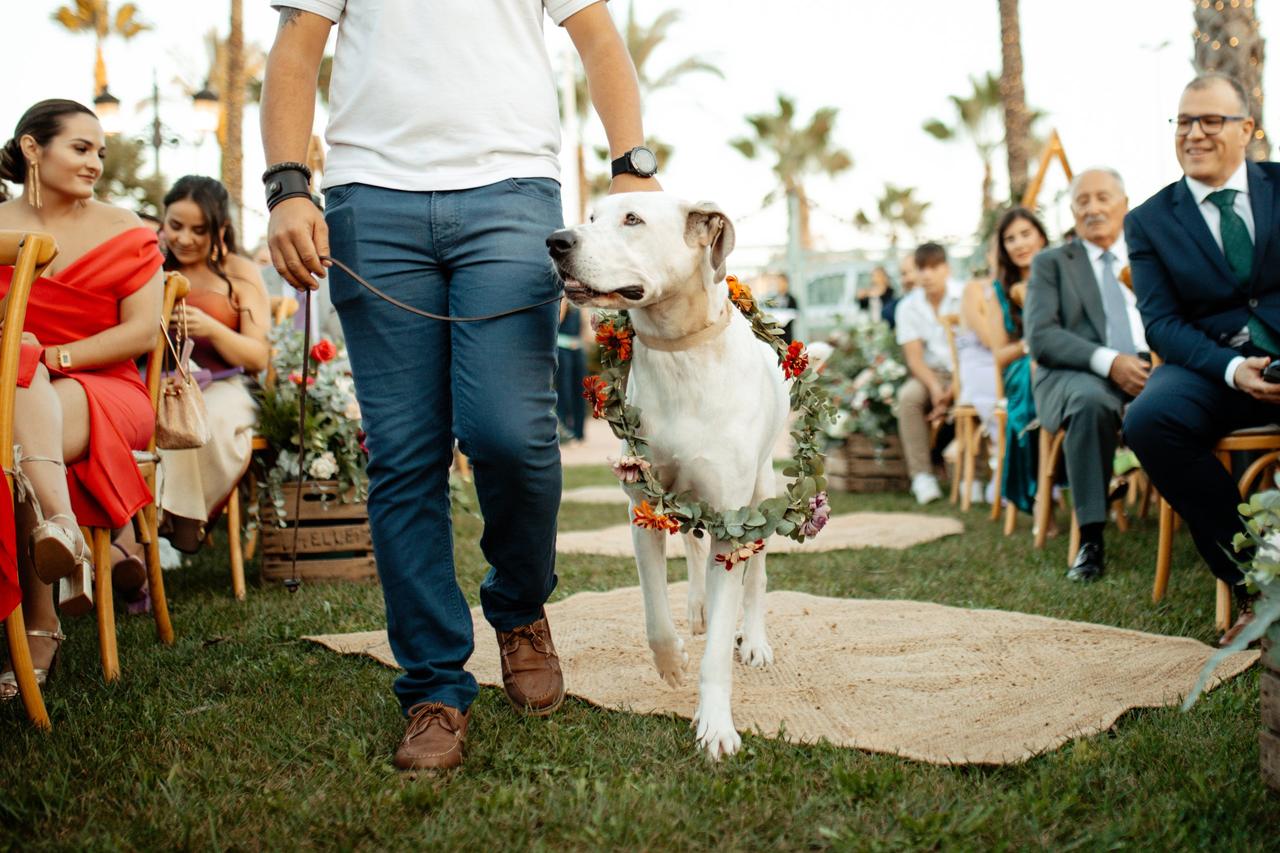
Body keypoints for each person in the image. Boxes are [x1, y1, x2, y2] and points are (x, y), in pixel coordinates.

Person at [261, 1, 658, 771]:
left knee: (510, 433)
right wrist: (287, 187)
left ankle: (517, 605)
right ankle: (434, 687)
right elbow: (296, 45)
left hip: (511, 193)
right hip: (370, 200)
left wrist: (630, 167)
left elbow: (598, 36)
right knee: (405, 455)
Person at [0, 99, 163, 699]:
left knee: (13, 425)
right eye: (81, 148)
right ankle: (60, 527)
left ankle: (40, 629)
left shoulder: (125, 227)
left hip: (109, 390)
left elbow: (142, 332)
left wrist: (52, 358)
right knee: (16, 399)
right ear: (31, 148)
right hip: (17, 390)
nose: (96, 162)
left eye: (100, 150)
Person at [1124, 73, 1280, 645]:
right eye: (1184, 121)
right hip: (1208, 369)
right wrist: (1231, 367)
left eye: (1210, 120)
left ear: (1245, 129)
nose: (1194, 133)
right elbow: (1161, 322)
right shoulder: (1148, 220)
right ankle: (1259, 581)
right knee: (1148, 420)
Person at [1025, 167, 1147, 583]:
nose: (1093, 208)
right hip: (1076, 371)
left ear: (1124, 205)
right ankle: (1091, 537)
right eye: (1082, 201)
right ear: (1072, 210)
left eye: (1103, 198)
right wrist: (1110, 361)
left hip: (1152, 364)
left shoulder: (1148, 256)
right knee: (1091, 401)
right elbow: (1041, 337)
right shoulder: (1051, 263)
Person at [152, 176, 270, 552]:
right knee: (143, 417)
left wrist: (214, 329)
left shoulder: (239, 271)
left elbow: (257, 356)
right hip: (157, 382)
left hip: (227, 384)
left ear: (220, 228)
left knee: (206, 419)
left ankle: (185, 518)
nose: (185, 238)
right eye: (176, 226)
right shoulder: (151, 267)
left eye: (198, 230)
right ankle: (142, 532)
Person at [987, 207, 1050, 517]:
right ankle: (1038, 496)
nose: (1019, 244)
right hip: (1021, 369)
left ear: (1041, 236)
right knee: (1031, 379)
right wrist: (1032, 344)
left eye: (1026, 234)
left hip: (1064, 360)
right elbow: (999, 355)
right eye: (1010, 239)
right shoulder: (999, 290)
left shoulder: (1063, 273)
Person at [894, 242, 962, 504]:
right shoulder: (907, 307)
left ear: (946, 268)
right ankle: (922, 476)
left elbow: (974, 352)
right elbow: (914, 358)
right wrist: (936, 389)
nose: (927, 274)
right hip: (930, 374)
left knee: (976, 396)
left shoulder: (965, 296)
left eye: (934, 267)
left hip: (965, 371)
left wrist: (954, 389)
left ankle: (975, 476)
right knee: (908, 397)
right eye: (921, 268)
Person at [956, 259, 999, 503]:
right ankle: (1007, 472)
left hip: (1012, 361)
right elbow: (989, 339)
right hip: (982, 366)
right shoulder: (975, 288)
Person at [555, 297, 587, 443]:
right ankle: (565, 431)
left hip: (577, 348)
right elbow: (557, 321)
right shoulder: (562, 299)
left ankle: (579, 432)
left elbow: (583, 325)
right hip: (562, 348)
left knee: (581, 391)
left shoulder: (579, 300)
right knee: (564, 391)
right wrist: (564, 302)